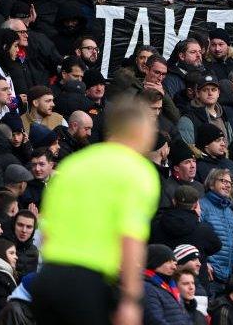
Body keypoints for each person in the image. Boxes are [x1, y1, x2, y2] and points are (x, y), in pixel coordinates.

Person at [30, 99, 161, 325]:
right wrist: (130, 299)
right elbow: (130, 237)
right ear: (141, 130)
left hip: (47, 280)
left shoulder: (72, 164)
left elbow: (47, 228)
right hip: (87, 284)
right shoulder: (137, 171)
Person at [198, 168, 233, 295]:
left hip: (227, 277)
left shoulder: (229, 212)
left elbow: (230, 243)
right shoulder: (202, 206)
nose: (227, 185)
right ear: (211, 184)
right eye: (223, 181)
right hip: (210, 275)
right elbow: (195, 238)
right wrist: (203, 263)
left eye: (230, 182)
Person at [141, 244, 189, 325]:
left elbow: (185, 318)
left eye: (174, 262)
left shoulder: (171, 286)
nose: (174, 267)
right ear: (155, 263)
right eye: (169, 261)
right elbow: (154, 320)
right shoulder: (147, 287)